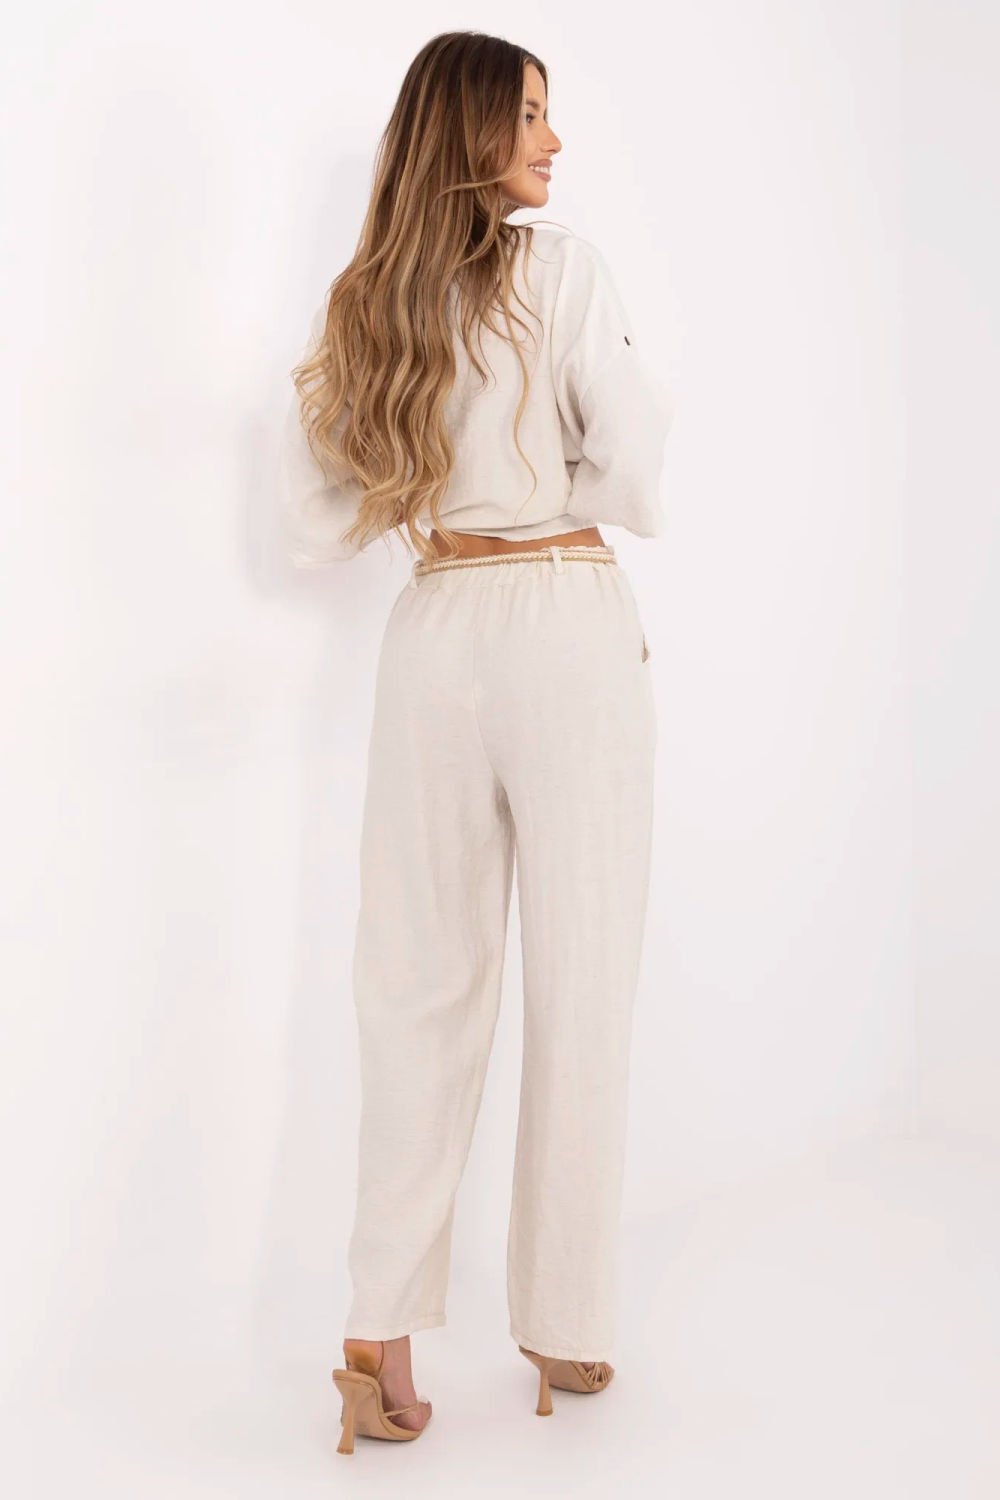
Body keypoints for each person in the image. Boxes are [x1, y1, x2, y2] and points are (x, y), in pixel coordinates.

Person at [277, 30, 673, 1455]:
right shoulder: (560, 273)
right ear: (472, 131)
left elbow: (320, 514)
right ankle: (564, 1324)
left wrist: (435, 484)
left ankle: (373, 1337)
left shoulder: (367, 303)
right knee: (583, 975)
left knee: (415, 984)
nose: (553, 144)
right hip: (561, 613)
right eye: (531, 116)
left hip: (434, 630)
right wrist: (547, 480)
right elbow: (633, 460)